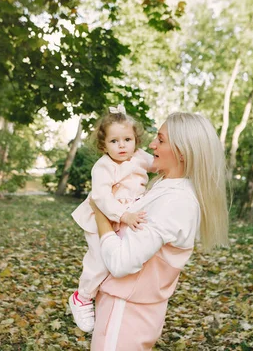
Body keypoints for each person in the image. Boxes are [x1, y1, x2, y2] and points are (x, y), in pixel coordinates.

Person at [89, 112, 229, 350]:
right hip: (129, 307)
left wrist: (100, 214)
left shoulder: (175, 201)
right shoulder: (164, 186)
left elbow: (122, 263)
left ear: (182, 151)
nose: (151, 144)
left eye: (161, 140)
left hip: (127, 313)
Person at [68, 104, 155, 333]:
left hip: (129, 216)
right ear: (103, 144)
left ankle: (111, 300)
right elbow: (102, 198)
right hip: (103, 217)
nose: (122, 145)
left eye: (127, 139)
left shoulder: (139, 157)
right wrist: (123, 215)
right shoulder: (103, 167)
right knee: (99, 260)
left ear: (135, 139)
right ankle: (82, 297)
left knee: (123, 260)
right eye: (114, 141)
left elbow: (159, 164)